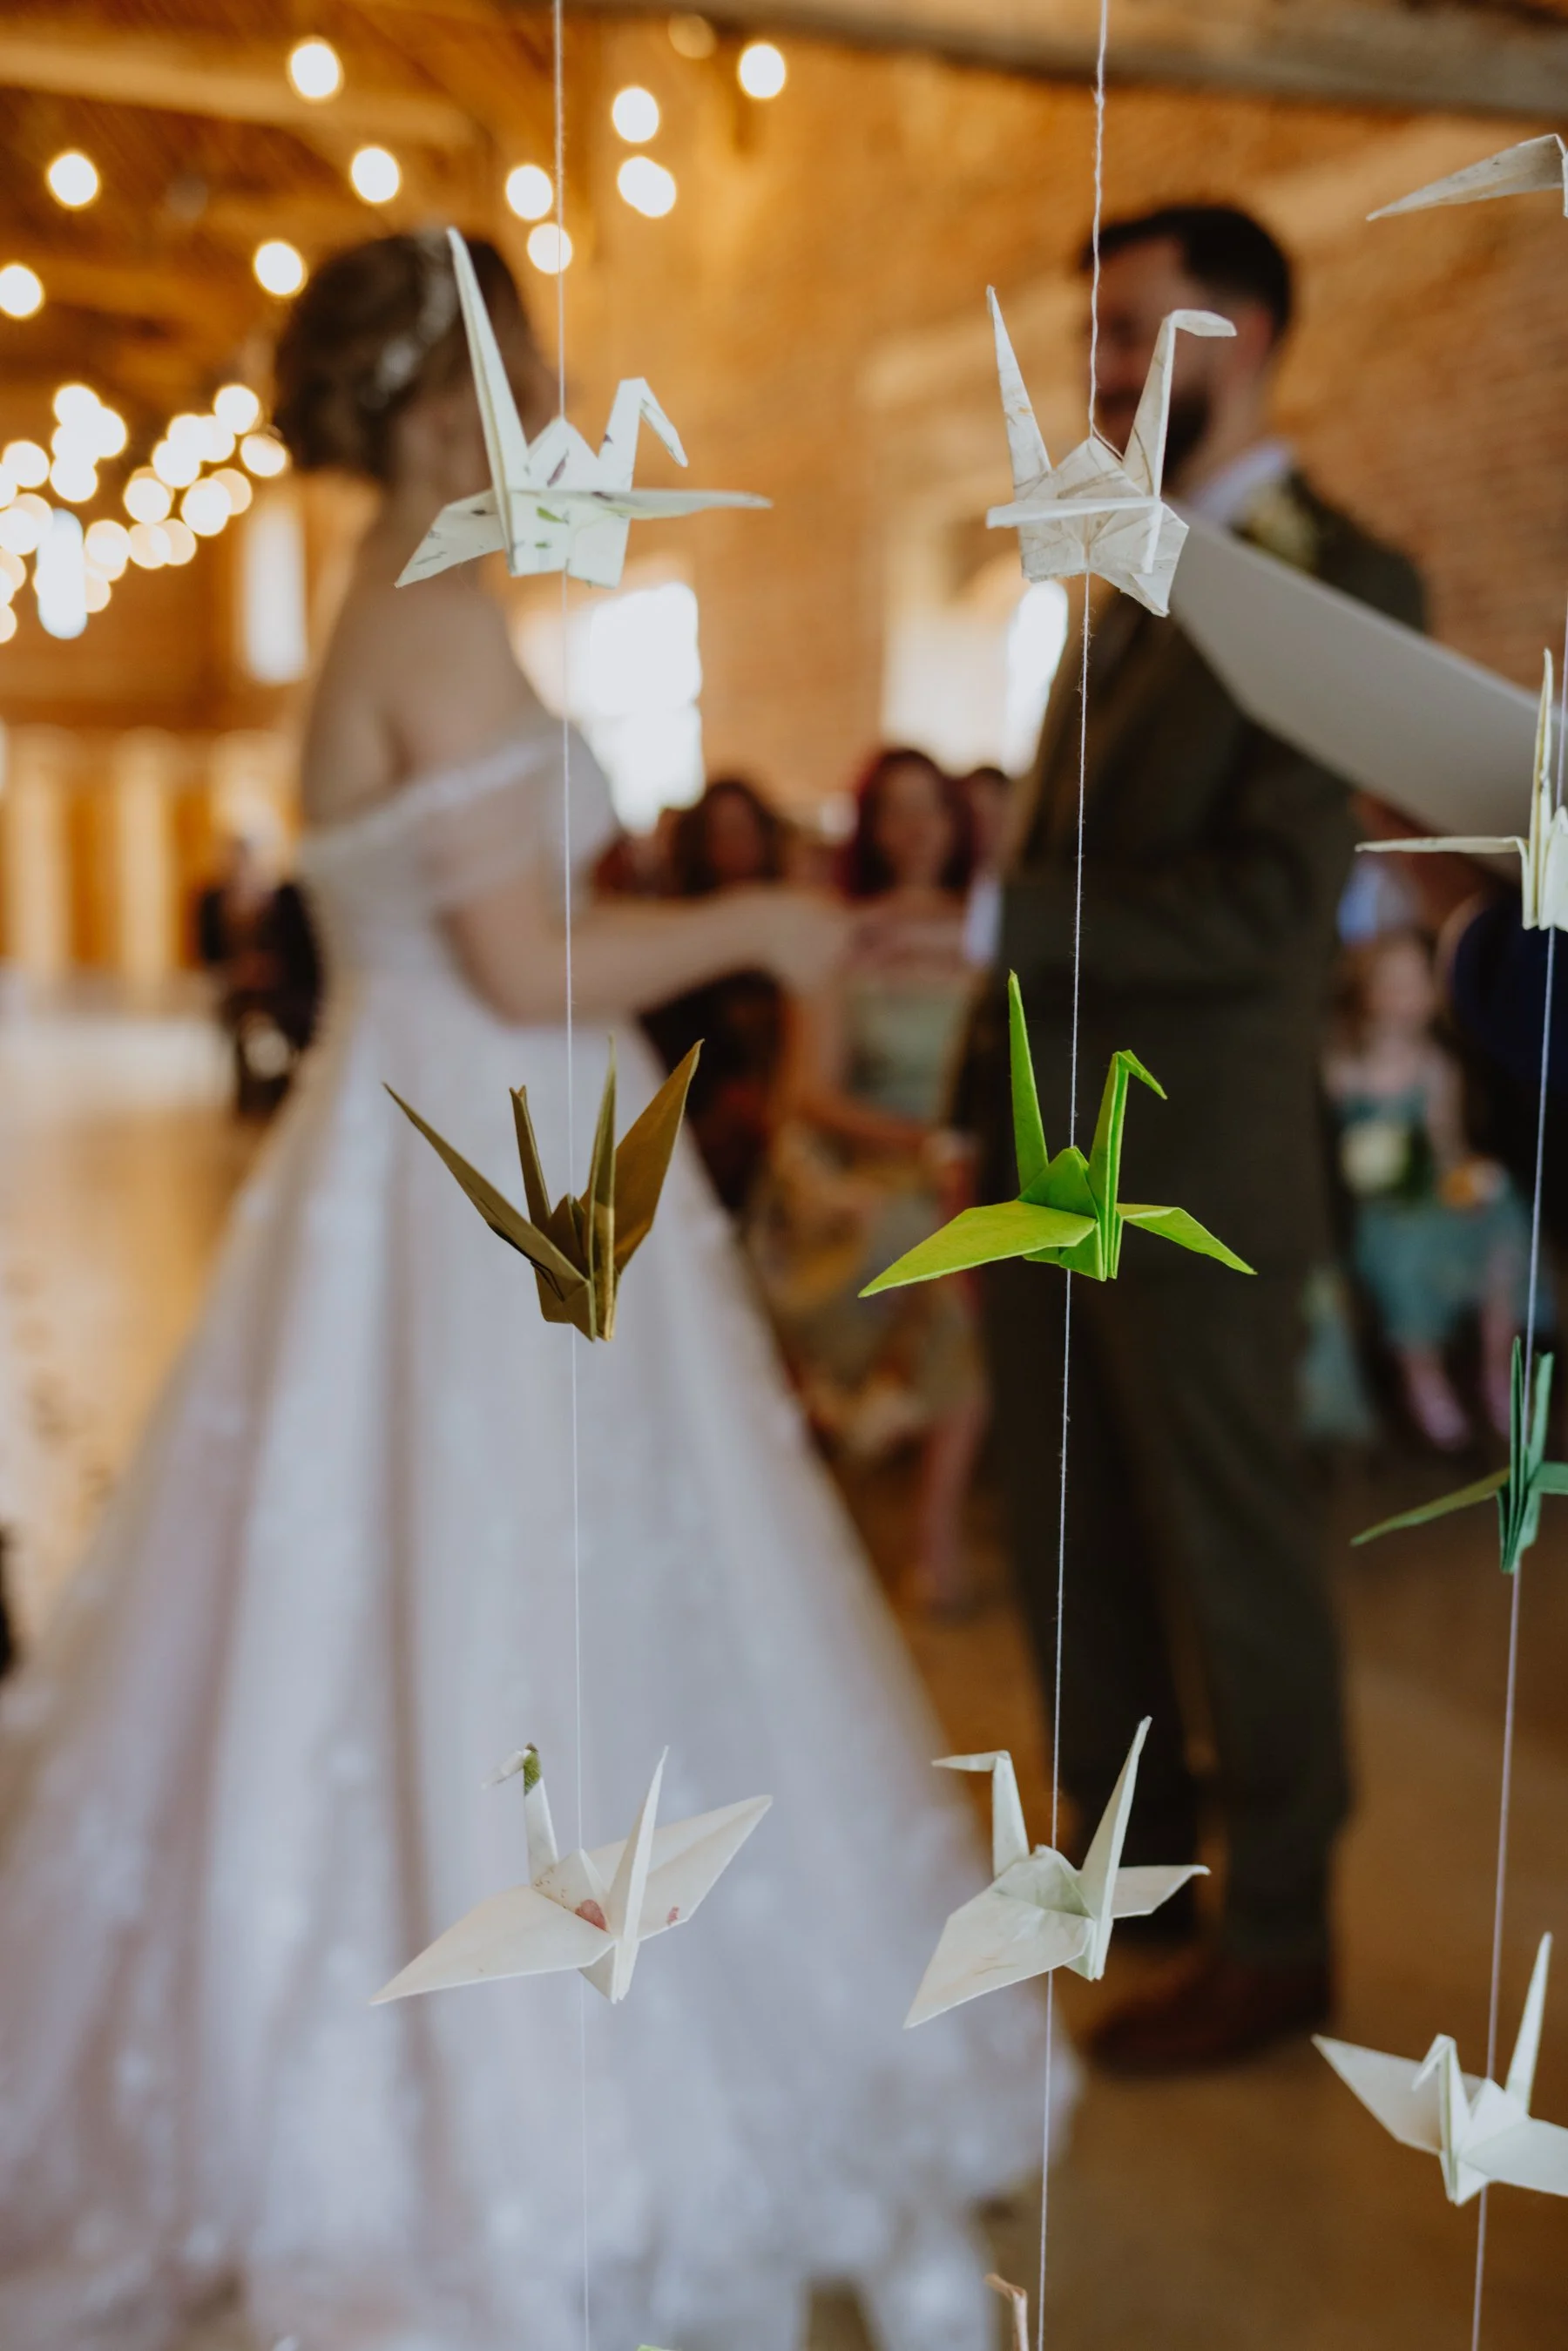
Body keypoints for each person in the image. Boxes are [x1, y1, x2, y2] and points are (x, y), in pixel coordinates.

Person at [0, 234, 1057, 2351]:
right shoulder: (434, 621)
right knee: (530, 1590)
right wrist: (767, 912)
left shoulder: (409, 618)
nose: (554, 408)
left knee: (453, 1577)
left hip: (439, 1161)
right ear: (423, 412)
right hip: (498, 1153)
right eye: (522, 375)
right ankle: (522, 2073)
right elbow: (518, 962)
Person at [960, 205, 1426, 2071]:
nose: (1099, 369)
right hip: (1042, 1144)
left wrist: (1005, 933)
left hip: (1198, 1160)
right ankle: (1130, 1853)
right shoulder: (1130, 574)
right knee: (1070, 1521)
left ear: (1248, 335)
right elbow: (1043, 864)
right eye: (1092, 332)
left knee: (1231, 1541)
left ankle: (1287, 1925)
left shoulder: (1342, 582)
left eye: (1135, 328)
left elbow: (1262, 909)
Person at [751, 749, 986, 1614]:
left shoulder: (993, 930)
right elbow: (804, 1093)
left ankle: (936, 1513)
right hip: (873, 1161)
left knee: (1000, 1246)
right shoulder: (842, 936)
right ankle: (916, 1526)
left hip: (975, 1163)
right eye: (895, 810)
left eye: (933, 807)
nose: (916, 827)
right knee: (934, 1248)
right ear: (872, 828)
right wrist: (921, 1140)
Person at [1324, 929, 1534, 1448]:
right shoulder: (1340, 1066)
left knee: (1502, 1217)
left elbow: (1446, 1147)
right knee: (1402, 1249)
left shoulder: (1437, 1067)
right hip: (1380, 1210)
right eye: (1392, 983)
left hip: (1429, 1194)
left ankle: (1497, 1372)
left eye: (1417, 984)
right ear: (1366, 989)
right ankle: (1425, 1379)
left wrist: (1468, 1180)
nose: (1405, 997)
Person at [642, 778, 790, 1212]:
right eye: (721, 833)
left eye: (745, 830)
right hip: (710, 1139)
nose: (735, 845)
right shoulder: (680, 939)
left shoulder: (792, 927)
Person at [195, 831, 323, 1116]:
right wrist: (236, 972)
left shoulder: (282, 897)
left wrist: (270, 970)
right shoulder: (212, 900)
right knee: (239, 1018)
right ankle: (248, 1094)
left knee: (298, 1016)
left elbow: (297, 952)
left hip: (282, 986)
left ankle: (284, 1086)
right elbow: (207, 953)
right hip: (237, 986)